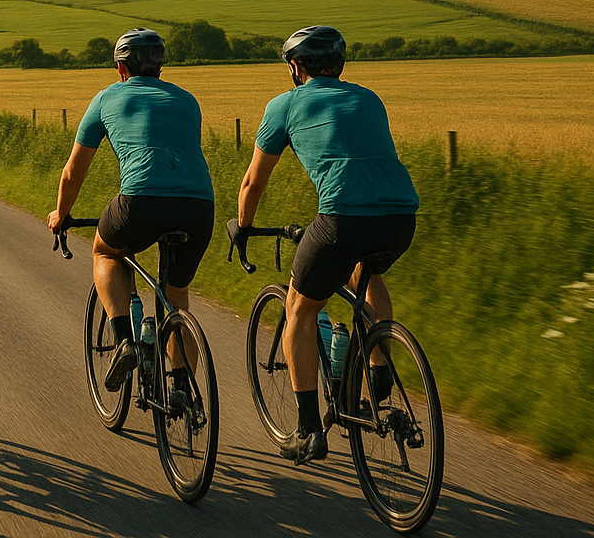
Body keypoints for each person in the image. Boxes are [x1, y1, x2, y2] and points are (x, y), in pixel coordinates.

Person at [234, 25, 419, 465]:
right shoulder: (369, 98)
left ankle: (308, 429)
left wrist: (242, 228)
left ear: (295, 67)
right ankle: (377, 377)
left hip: (341, 219)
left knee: (299, 309)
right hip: (400, 217)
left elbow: (252, 182)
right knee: (364, 274)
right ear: (340, 65)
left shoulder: (284, 105)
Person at [48, 28, 215, 395]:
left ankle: (124, 339)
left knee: (106, 251)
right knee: (176, 294)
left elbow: (74, 170)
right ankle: (184, 389)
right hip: (199, 206)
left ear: (121, 68)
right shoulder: (187, 100)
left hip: (140, 201)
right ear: (159, 67)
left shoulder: (109, 97)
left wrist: (61, 213)